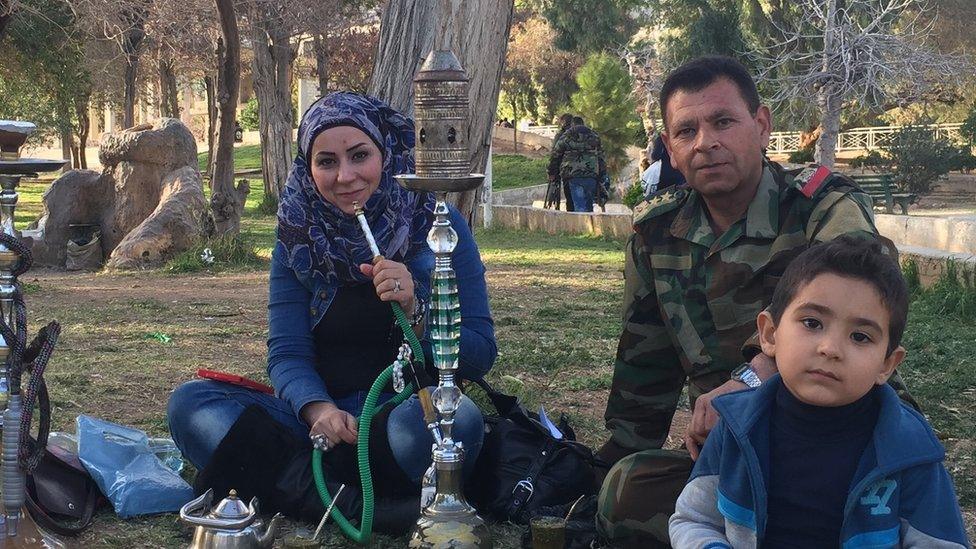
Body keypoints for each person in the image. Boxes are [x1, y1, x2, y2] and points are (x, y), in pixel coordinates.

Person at [596, 55, 915, 546]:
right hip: (733, 452)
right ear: (670, 150)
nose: (706, 142)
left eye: (723, 121)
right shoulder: (656, 233)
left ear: (761, 125)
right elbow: (646, 362)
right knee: (624, 494)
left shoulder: (820, 207)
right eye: (686, 132)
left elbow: (865, 278)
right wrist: (611, 458)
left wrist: (751, 377)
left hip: (842, 440)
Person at [167, 92, 496, 520]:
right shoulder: (297, 236)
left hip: (402, 417)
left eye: (360, 156)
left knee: (456, 424)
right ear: (309, 169)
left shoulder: (437, 226)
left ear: (386, 153)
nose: (345, 176)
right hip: (318, 428)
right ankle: (370, 504)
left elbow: (480, 353)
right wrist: (317, 409)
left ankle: (296, 485)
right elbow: (287, 354)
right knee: (192, 405)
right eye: (326, 162)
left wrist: (417, 311)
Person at [670, 236, 969, 548]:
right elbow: (694, 519)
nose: (830, 349)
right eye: (812, 323)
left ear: (887, 365)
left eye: (860, 336)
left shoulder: (910, 450)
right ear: (769, 335)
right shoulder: (735, 427)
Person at [547, 116, 606, 213]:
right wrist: (602, 174)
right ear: (583, 124)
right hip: (591, 174)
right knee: (588, 204)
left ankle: (582, 226)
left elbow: (555, 155)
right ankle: (588, 226)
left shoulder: (567, 136)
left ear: (572, 125)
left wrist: (551, 172)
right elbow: (601, 157)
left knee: (578, 205)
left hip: (572, 174)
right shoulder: (594, 136)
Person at [546, 113, 575, 211]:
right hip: (581, 169)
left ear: (563, 122)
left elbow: (555, 154)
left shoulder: (561, 135)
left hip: (565, 168)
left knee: (569, 198)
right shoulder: (579, 133)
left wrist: (551, 171)